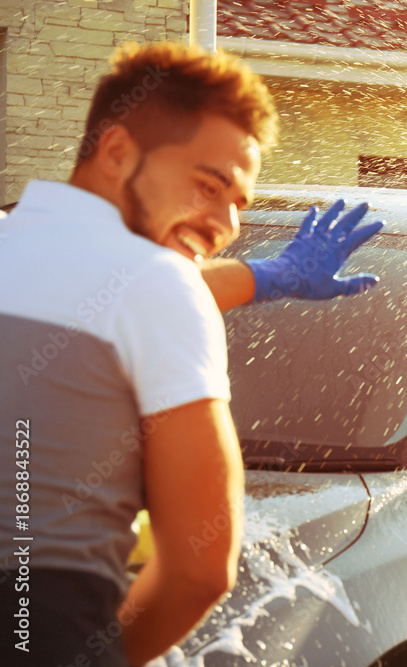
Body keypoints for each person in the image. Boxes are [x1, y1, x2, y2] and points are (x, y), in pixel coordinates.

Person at [0, 41, 381, 666]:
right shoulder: (158, 286)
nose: (227, 223)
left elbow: (102, 292)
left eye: (240, 203)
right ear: (118, 151)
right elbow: (202, 570)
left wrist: (268, 277)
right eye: (209, 186)